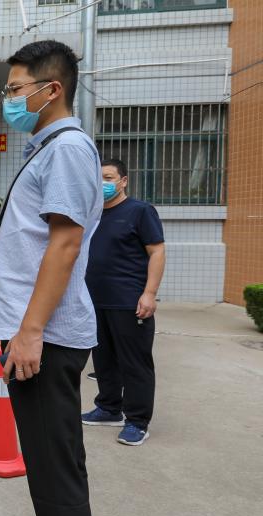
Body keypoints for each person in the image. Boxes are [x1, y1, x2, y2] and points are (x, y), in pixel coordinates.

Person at [0, 40, 104, 516]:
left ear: (51, 90)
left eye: (15, 89)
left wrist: (29, 332)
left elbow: (65, 245)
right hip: (31, 330)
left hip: (44, 338)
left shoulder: (69, 149)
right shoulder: (49, 147)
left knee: (56, 468)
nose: (8, 99)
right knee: (51, 463)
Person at [82, 159, 165, 446]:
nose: (103, 183)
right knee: (103, 360)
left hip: (129, 302)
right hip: (96, 301)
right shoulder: (93, 214)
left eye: (108, 177)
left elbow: (157, 252)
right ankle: (108, 408)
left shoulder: (140, 211)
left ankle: (137, 421)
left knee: (134, 363)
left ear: (123, 181)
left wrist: (149, 293)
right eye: (99, 178)